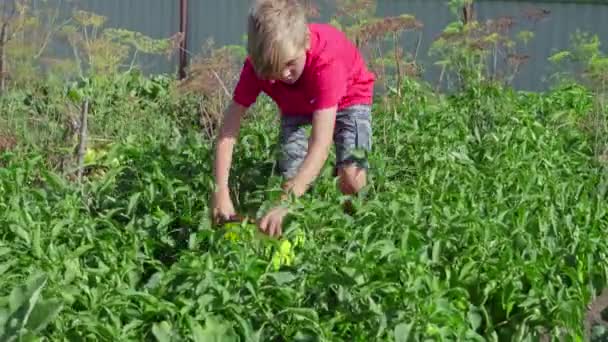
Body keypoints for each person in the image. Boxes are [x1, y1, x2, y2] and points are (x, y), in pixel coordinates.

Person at [211, 0, 375, 237]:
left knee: (351, 178)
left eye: (289, 64)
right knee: (290, 179)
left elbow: (321, 143)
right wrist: (221, 190)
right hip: (296, 106)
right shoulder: (259, 66)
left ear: (306, 42)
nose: (283, 75)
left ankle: (353, 232)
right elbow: (228, 130)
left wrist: (287, 203)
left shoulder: (327, 62)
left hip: (349, 97)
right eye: (272, 69)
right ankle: (300, 238)